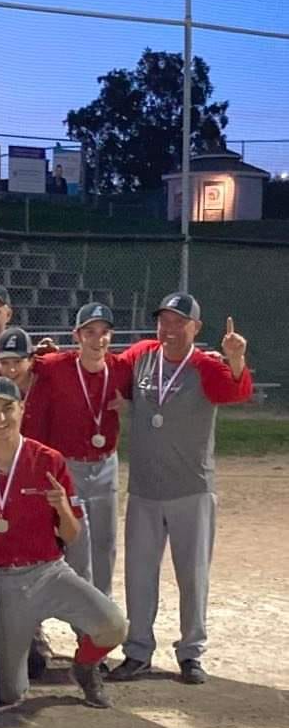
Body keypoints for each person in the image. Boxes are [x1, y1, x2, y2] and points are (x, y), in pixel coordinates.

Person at [0, 376, 128, 709]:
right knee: (9, 693)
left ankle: (85, 666)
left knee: (114, 626)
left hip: (49, 572)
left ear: (22, 408)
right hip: (1, 582)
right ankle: (23, 645)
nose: (1, 418)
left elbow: (71, 535)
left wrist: (62, 509)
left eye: (8, 408)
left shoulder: (48, 460)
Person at [108, 293, 252, 685]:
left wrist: (236, 358)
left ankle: (191, 653)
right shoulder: (142, 356)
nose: (169, 329)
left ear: (195, 328)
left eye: (179, 322)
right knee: (139, 576)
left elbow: (237, 392)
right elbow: (104, 368)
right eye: (164, 321)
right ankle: (138, 651)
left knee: (192, 576)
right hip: (144, 489)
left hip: (191, 488)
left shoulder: (206, 365)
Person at [35, 303, 132, 599]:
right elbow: (10, 361)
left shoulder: (120, 368)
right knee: (77, 540)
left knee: (105, 541)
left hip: (106, 463)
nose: (98, 340)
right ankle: (80, 608)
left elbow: (158, 364)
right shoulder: (55, 366)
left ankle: (103, 604)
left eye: (104, 332)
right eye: (90, 332)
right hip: (68, 465)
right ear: (76, 335)